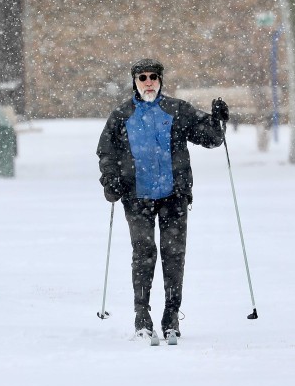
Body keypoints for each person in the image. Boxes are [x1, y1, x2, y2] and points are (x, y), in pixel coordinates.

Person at [96, 58, 230, 340]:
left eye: (153, 77)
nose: (148, 82)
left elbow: (210, 138)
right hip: (137, 197)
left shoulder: (177, 110)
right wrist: (110, 179)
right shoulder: (121, 115)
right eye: (142, 77)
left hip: (174, 196)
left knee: (173, 256)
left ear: (160, 80)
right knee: (143, 254)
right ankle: (141, 315)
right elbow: (106, 151)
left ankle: (171, 315)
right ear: (134, 81)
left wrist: (218, 121)